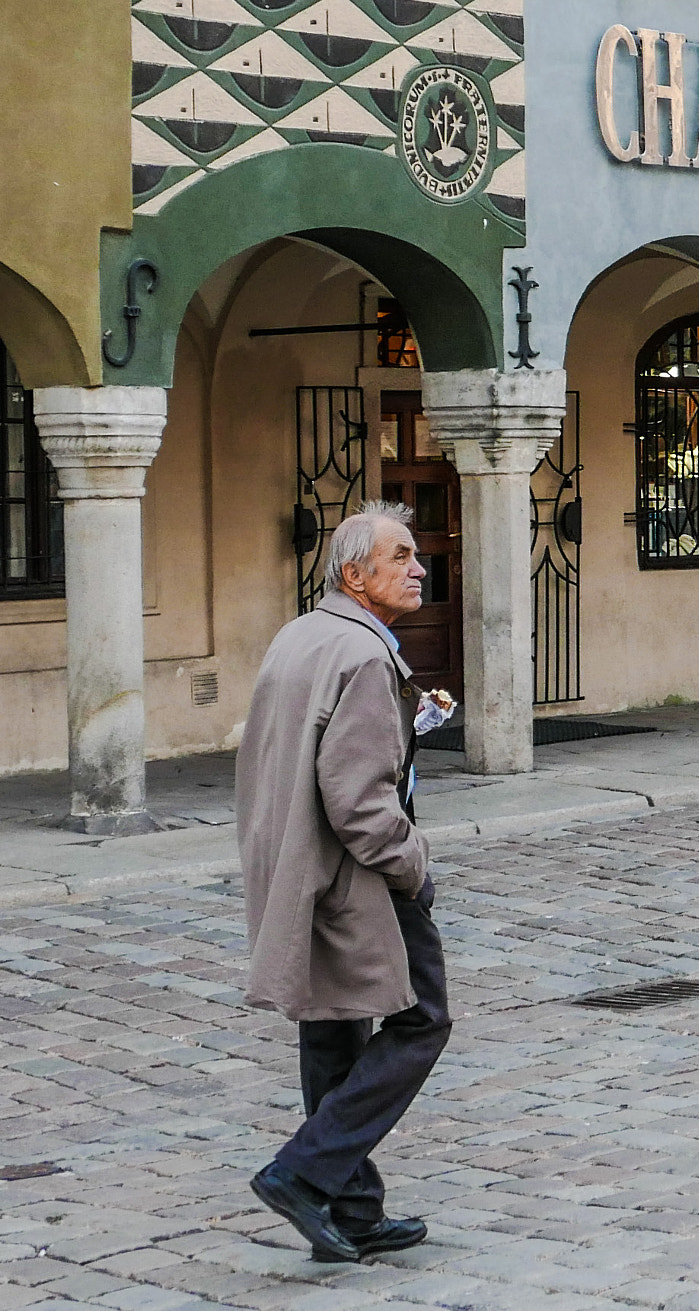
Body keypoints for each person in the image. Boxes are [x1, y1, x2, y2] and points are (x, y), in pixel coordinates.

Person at [237, 501, 448, 1263]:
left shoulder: (304, 633)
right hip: (352, 877)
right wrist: (413, 866)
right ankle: (303, 1170)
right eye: (400, 556)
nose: (418, 566)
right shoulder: (361, 655)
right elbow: (360, 803)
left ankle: (353, 1208)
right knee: (423, 1018)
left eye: (415, 554)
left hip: (296, 865)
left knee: (332, 1028)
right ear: (355, 575)